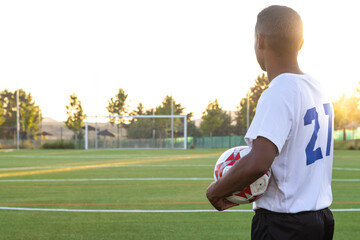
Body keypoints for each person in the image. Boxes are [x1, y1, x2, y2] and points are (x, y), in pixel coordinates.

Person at [206, 5, 335, 240]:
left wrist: (215, 191)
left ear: (260, 40)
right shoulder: (319, 89)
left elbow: (258, 161)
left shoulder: (279, 91)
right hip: (321, 220)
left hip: (285, 225)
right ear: (301, 44)